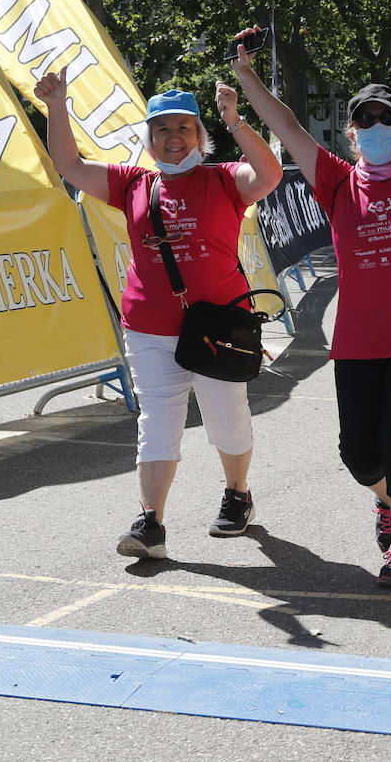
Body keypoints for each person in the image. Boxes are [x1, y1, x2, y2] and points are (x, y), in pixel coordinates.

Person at [229, 25, 391, 587]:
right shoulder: (337, 182)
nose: (376, 128)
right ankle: (387, 501)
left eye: (386, 119)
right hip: (358, 344)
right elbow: (288, 126)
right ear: (353, 135)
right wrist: (248, 76)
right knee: (358, 454)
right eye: (364, 121)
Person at [33, 68, 282, 559]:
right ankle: (151, 524)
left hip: (218, 328)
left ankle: (237, 494)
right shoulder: (132, 183)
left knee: (226, 419)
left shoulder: (224, 179)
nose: (173, 138)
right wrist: (56, 106)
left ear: (199, 136)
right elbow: (69, 164)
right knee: (158, 421)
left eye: (183, 128)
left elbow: (270, 173)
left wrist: (234, 119)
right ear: (149, 139)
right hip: (150, 328)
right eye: (162, 129)